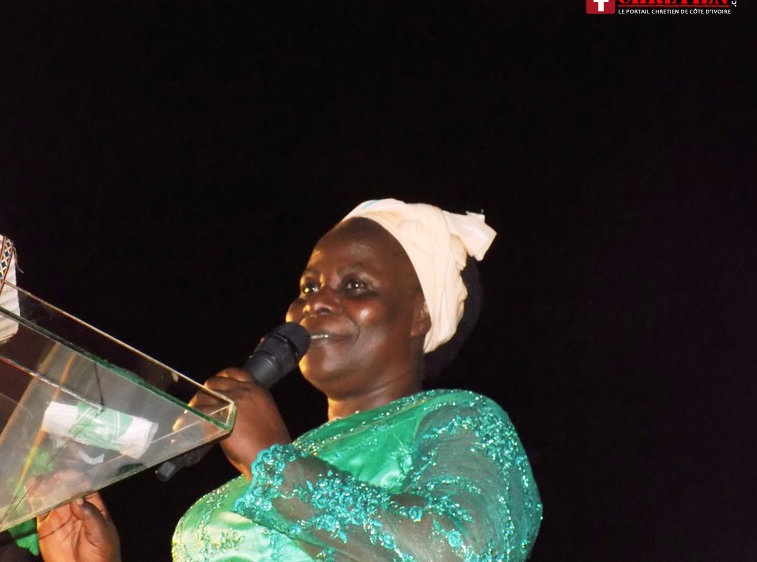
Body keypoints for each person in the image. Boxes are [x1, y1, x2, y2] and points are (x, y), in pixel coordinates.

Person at [38, 198, 542, 561]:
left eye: (355, 285)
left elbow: (457, 550)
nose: (315, 302)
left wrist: (273, 464)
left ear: (420, 316)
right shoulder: (268, 467)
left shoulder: (461, 419)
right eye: (308, 286)